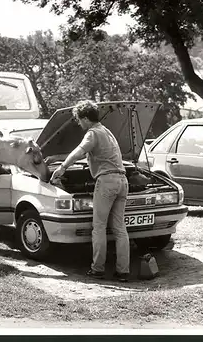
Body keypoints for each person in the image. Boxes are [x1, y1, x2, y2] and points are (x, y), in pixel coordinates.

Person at [50, 100, 130, 282]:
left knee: (99, 227)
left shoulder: (92, 133)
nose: (79, 124)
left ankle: (97, 269)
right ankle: (123, 272)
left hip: (107, 181)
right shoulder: (107, 132)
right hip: (123, 181)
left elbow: (79, 151)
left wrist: (62, 168)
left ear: (86, 118)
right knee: (119, 229)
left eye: (79, 120)